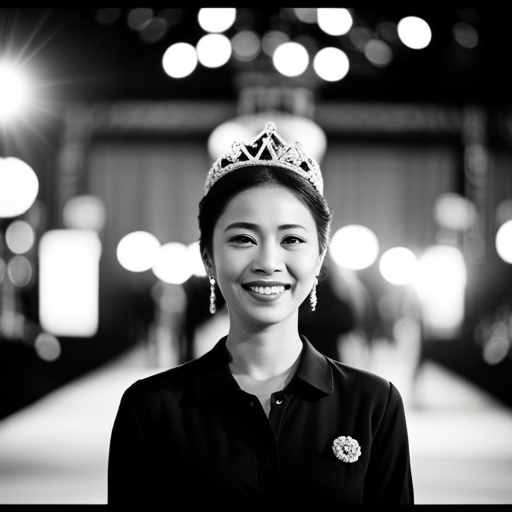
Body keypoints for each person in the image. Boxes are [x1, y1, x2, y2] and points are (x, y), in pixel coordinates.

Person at [107, 122, 414, 504]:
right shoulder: (151, 408)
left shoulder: (373, 404)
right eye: (243, 239)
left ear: (318, 257)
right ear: (208, 258)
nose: (268, 262)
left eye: (292, 240)